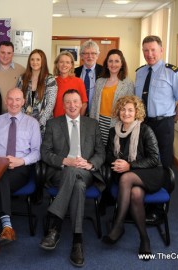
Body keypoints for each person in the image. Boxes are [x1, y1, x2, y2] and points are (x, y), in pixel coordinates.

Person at [39, 89, 105, 267]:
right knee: (77, 185)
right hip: (60, 172)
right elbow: (44, 152)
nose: (72, 105)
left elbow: (101, 152)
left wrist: (90, 165)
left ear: (81, 104)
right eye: (68, 102)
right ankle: (77, 241)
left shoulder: (92, 124)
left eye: (75, 101)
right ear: (63, 104)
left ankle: (55, 226)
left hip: (86, 171)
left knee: (75, 173)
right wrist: (64, 160)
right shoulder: (53, 124)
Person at [0, 88, 41, 266]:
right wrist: (1, 160)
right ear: (6, 101)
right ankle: (6, 226)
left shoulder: (32, 123)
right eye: (11, 99)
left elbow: (37, 152)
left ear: (23, 102)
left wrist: (21, 161)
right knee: (0, 177)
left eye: (18, 100)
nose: (14, 103)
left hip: (20, 168)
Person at [102, 95, 165, 259]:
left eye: (130, 110)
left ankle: (118, 225)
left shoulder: (145, 130)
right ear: (118, 112)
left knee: (127, 178)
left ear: (137, 112)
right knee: (136, 194)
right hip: (123, 172)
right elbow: (108, 155)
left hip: (150, 173)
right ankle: (145, 239)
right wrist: (116, 163)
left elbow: (153, 158)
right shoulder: (112, 132)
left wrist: (130, 166)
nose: (126, 113)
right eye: (123, 109)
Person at [135, 35, 178, 168]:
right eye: (146, 50)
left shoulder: (172, 72)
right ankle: (147, 185)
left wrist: (172, 120)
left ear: (161, 50)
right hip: (142, 122)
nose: (149, 54)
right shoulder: (140, 72)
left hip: (163, 124)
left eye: (153, 50)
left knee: (164, 159)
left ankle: (164, 187)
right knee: (143, 156)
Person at [90, 49, 134, 145]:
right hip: (99, 121)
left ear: (122, 64)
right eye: (110, 61)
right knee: (99, 149)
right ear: (106, 63)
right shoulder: (99, 81)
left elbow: (130, 108)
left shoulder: (128, 83)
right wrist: (92, 124)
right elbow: (94, 104)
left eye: (117, 61)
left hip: (117, 123)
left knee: (113, 150)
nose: (113, 64)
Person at [16, 49, 57, 135]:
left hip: (44, 126)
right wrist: (24, 119)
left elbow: (50, 104)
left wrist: (39, 124)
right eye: (32, 59)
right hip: (24, 124)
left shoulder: (50, 79)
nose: (35, 62)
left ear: (43, 61)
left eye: (38, 59)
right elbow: (17, 100)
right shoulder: (22, 78)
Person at [0, 41, 25, 112]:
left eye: (9, 53)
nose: (6, 56)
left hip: (15, 113)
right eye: (3, 52)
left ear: (13, 54)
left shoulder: (22, 70)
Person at [53, 51, 88, 117]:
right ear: (57, 64)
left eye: (67, 62)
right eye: (61, 62)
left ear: (71, 65)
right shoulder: (52, 82)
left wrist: (78, 120)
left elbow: (84, 104)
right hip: (56, 122)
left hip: (73, 122)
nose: (64, 65)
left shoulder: (78, 82)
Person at [75, 40, 103, 114]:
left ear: (97, 55)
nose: (90, 56)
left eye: (93, 53)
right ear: (81, 56)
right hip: (77, 113)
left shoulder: (104, 72)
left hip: (97, 113)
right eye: (86, 53)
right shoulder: (74, 72)